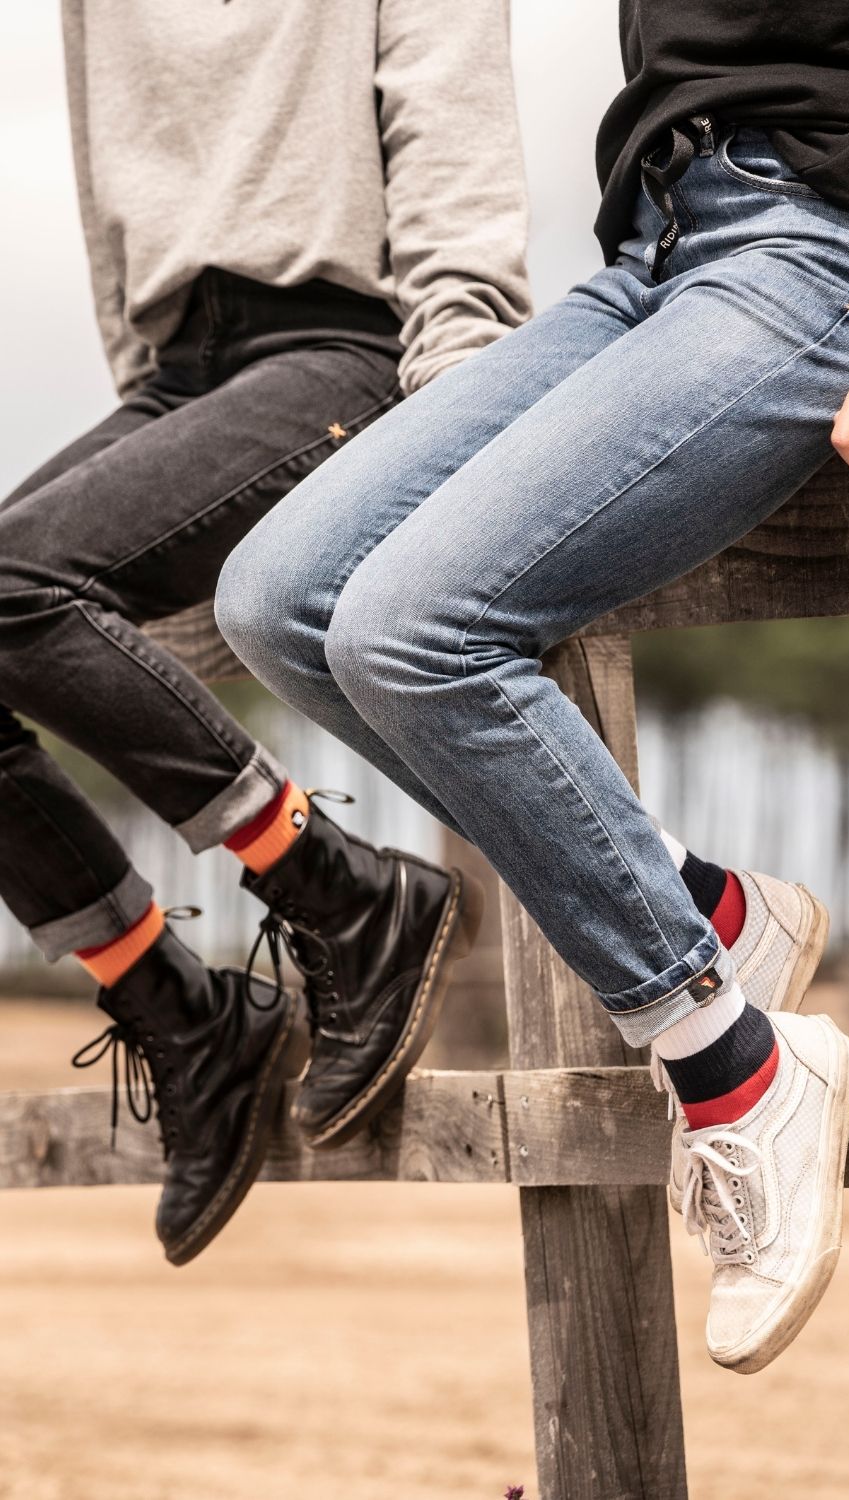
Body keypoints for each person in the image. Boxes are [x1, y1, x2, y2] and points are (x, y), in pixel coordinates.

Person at [217, 1, 849, 1371]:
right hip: (657, 262)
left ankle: (735, 1073)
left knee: (416, 628)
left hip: (826, 256)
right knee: (279, 597)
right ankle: (708, 910)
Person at [0, 1, 531, 1265]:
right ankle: (182, 1015)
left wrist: (463, 389)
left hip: (353, 352)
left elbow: (446, 115)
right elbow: (105, 169)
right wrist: (145, 376)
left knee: (12, 585)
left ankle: (344, 895)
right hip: (185, 373)